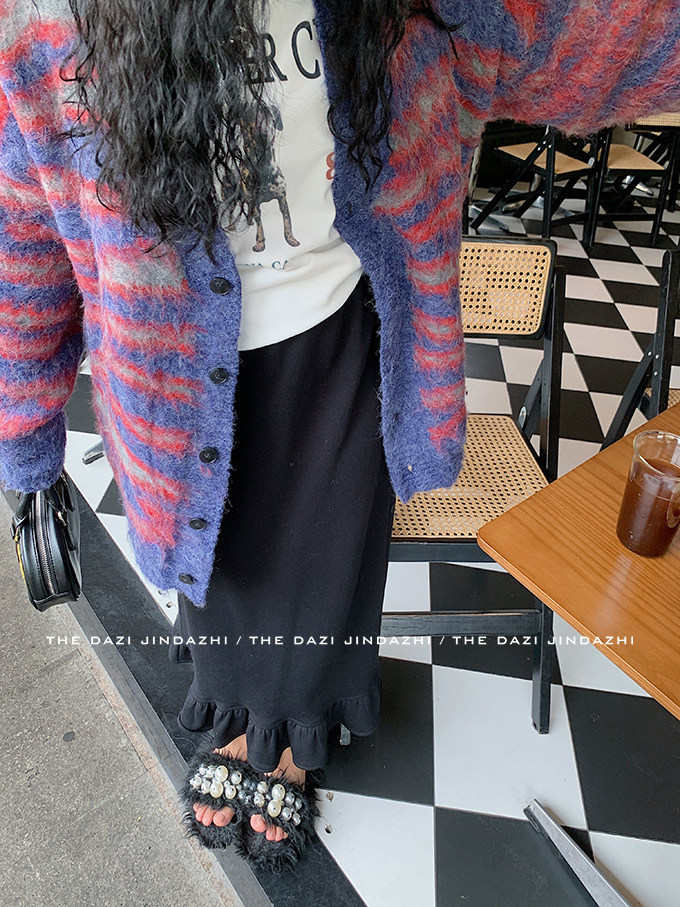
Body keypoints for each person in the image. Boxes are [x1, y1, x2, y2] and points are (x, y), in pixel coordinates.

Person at [1, 0, 679, 871]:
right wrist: (27, 446)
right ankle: (240, 726)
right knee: (223, 572)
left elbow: (582, 36)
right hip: (173, 381)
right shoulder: (51, 20)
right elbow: (23, 235)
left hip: (348, 348)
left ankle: (293, 743)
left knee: (326, 578)